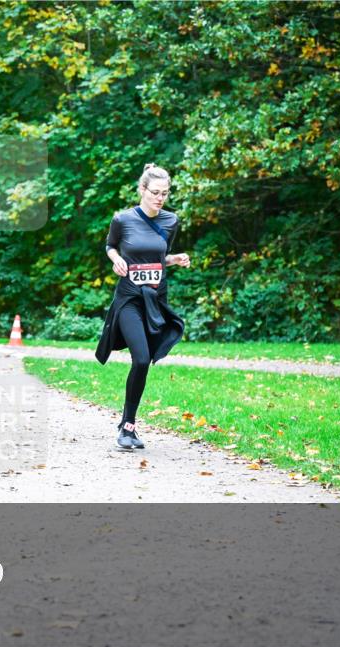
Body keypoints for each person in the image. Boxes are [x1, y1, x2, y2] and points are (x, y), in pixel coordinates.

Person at [96, 164, 191, 451]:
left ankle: (128, 422)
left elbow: (158, 256)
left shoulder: (171, 220)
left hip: (155, 300)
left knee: (147, 360)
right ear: (142, 190)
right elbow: (110, 245)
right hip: (129, 299)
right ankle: (128, 427)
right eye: (155, 193)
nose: (160, 198)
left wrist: (174, 260)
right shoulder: (122, 219)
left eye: (165, 193)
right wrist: (115, 258)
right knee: (140, 358)